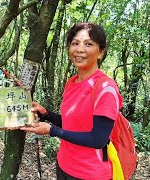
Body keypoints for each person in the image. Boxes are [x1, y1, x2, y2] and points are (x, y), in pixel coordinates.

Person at [20, 22, 123, 180]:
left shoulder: (105, 87)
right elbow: (73, 124)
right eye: (75, 43)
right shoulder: (72, 82)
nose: (80, 49)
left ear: (101, 52)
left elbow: (98, 139)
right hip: (64, 166)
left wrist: (51, 130)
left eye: (88, 44)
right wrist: (46, 114)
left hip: (90, 174)